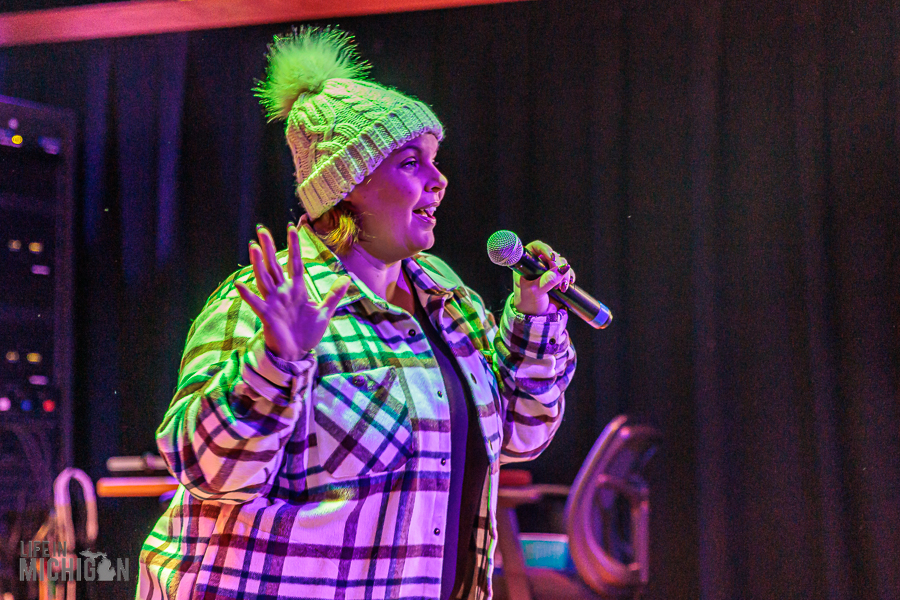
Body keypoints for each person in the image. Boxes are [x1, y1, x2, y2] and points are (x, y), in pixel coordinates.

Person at [137, 27, 576, 600]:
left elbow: (521, 435)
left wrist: (534, 317)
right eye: (411, 163)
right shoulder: (270, 298)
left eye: (435, 161)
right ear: (348, 185)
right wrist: (276, 360)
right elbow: (208, 472)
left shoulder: (451, 301)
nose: (439, 181)